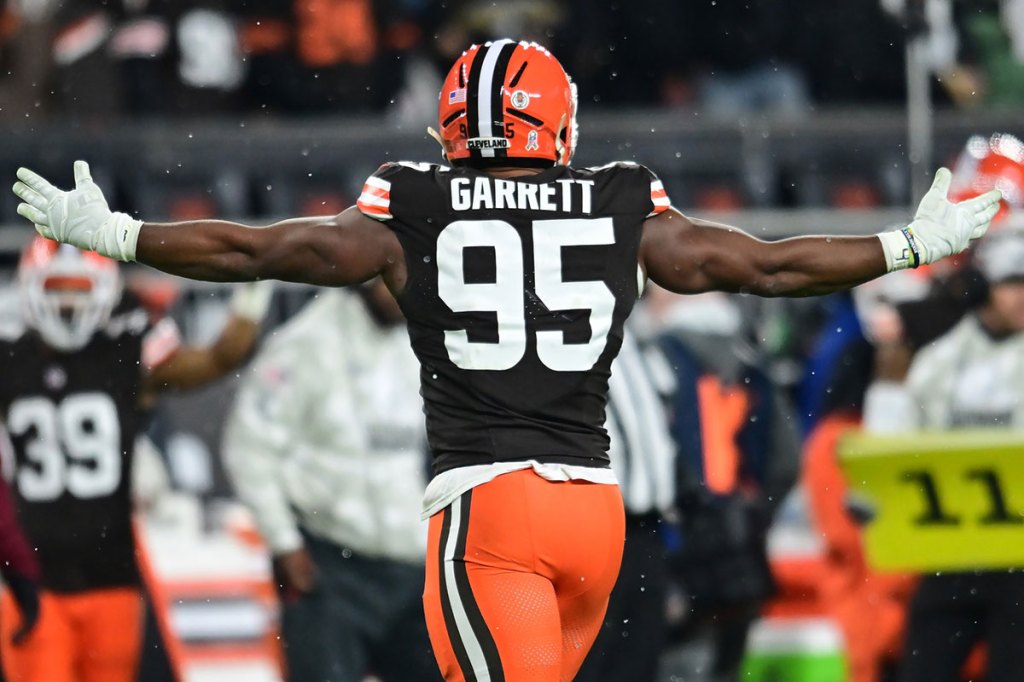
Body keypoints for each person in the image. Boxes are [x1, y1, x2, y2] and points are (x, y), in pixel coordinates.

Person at [10, 38, 1003, 682]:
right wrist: (902, 246)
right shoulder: (616, 196)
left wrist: (128, 236)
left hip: (491, 512)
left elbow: (268, 249)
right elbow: (757, 266)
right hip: (591, 517)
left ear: (453, 125)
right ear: (557, 124)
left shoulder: (415, 200)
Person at [0, 236, 270, 682]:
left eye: (79, 288)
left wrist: (257, 279)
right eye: (58, 287)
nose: (68, 302)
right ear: (30, 288)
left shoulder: (123, 354)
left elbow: (222, 356)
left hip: (113, 576)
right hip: (33, 578)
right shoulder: (10, 360)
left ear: (104, 291)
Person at [222, 282, 440, 682]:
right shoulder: (303, 343)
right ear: (365, 272)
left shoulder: (426, 340)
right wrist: (283, 542)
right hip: (329, 566)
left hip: (413, 565)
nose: (403, 284)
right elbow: (248, 446)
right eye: (392, 268)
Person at [862, 225, 1024, 682]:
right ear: (984, 287)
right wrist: (889, 390)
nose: (1021, 297)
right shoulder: (939, 362)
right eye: (1012, 282)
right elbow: (889, 450)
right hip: (948, 553)